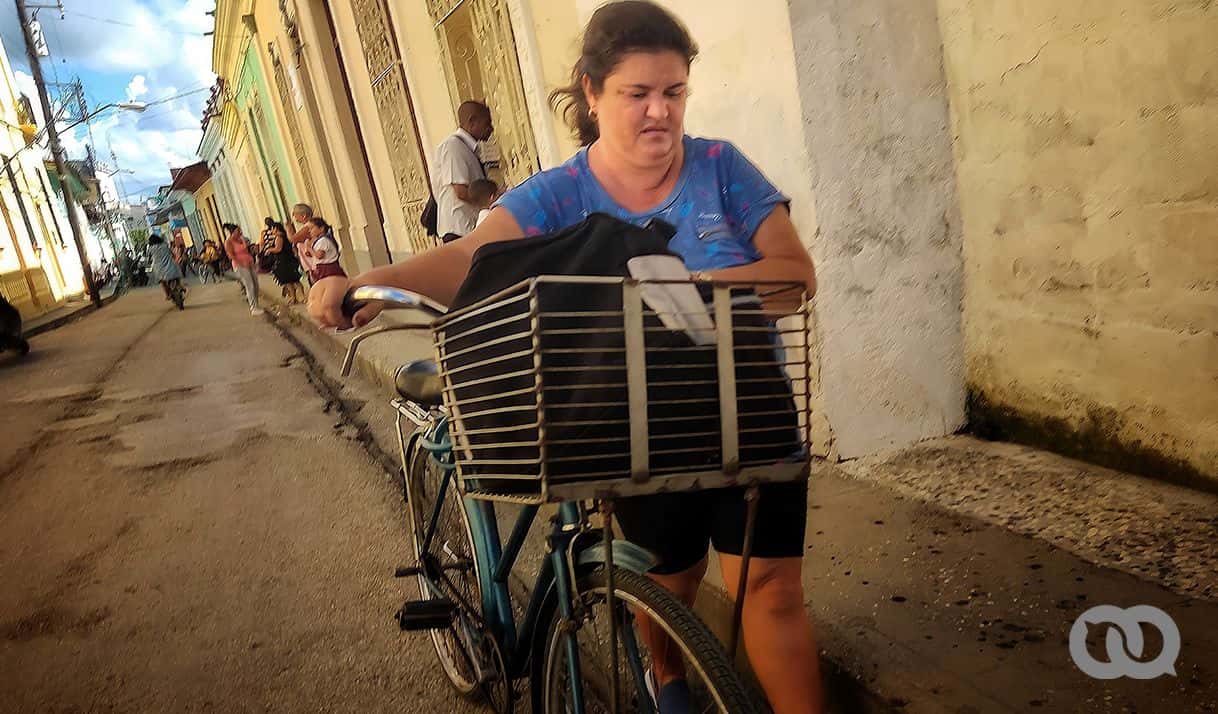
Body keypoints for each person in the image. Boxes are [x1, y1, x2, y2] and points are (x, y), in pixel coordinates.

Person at [311, 3, 821, 712]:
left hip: (749, 409)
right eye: (636, 94)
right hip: (640, 424)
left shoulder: (719, 168)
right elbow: (468, 258)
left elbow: (794, 276)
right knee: (669, 577)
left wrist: (681, 287)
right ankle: (666, 677)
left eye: (673, 93)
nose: (659, 113)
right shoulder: (561, 193)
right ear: (590, 92)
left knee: (770, 590)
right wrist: (370, 283)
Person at [434, 100, 494, 243]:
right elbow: (461, 191)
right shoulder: (453, 147)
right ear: (472, 121)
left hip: (468, 228)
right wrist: (490, 202)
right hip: (459, 230)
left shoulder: (467, 149)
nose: (491, 129)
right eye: (487, 124)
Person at [222, 223, 263, 316]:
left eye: (240, 230)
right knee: (250, 285)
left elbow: (247, 250)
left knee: (256, 284)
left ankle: (257, 304)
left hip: (249, 262)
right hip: (240, 265)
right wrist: (241, 263)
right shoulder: (228, 242)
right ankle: (253, 307)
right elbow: (231, 255)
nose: (240, 232)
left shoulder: (241, 239)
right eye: (238, 231)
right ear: (232, 232)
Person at [266, 221, 306, 304]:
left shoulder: (279, 237)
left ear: (276, 228)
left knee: (290, 281)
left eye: (272, 229)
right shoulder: (285, 236)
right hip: (289, 259)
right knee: (292, 280)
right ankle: (296, 297)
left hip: (284, 261)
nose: (271, 231)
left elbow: (278, 248)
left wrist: (269, 250)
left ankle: (295, 297)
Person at [304, 217, 345, 282]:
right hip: (323, 269)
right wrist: (309, 251)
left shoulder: (323, 240)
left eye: (311, 228)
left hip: (328, 270)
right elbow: (315, 254)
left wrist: (309, 248)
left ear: (321, 228)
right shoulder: (319, 240)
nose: (309, 231)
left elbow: (319, 255)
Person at [147, 233, 184, 303]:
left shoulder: (150, 249)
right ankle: (180, 286)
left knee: (162, 281)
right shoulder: (164, 245)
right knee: (176, 276)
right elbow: (172, 254)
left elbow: (149, 258)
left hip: (159, 268)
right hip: (170, 264)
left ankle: (167, 294)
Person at [289, 203, 316, 285]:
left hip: (313, 265)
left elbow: (293, 239)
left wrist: (288, 228)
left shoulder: (309, 226)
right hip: (309, 265)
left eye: (295, 214)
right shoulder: (307, 226)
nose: (294, 218)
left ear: (303, 215)